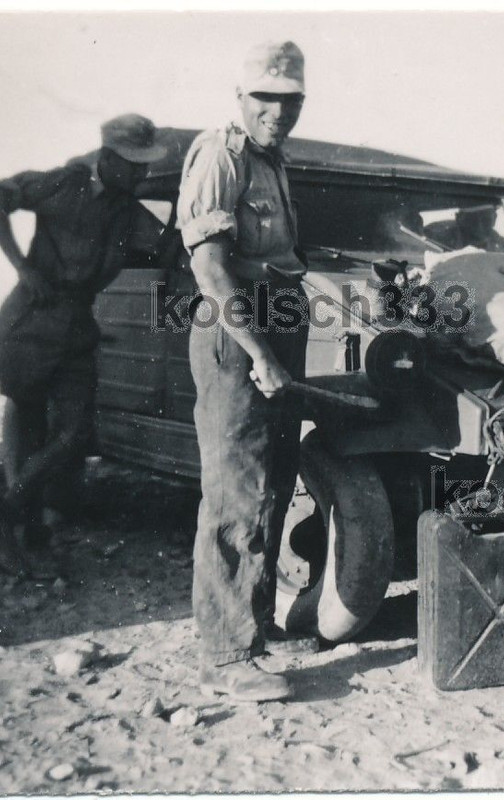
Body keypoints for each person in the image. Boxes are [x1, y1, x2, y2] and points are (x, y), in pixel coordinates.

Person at [176, 41, 313, 703]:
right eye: (264, 98)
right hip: (239, 333)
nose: (277, 111)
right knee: (237, 493)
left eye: (289, 100)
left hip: (278, 322)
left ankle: (251, 626)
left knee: (271, 487)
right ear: (240, 98)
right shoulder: (222, 154)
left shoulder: (271, 160)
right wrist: (259, 353)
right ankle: (227, 656)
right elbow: (210, 269)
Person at [0, 113, 169, 578]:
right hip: (31, 320)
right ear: (108, 158)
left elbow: (166, 248)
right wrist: (22, 267)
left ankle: (0, 514)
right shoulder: (65, 183)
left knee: (76, 433)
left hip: (77, 325)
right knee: (27, 424)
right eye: (134, 164)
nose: (142, 173)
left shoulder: (129, 211)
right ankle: (20, 537)